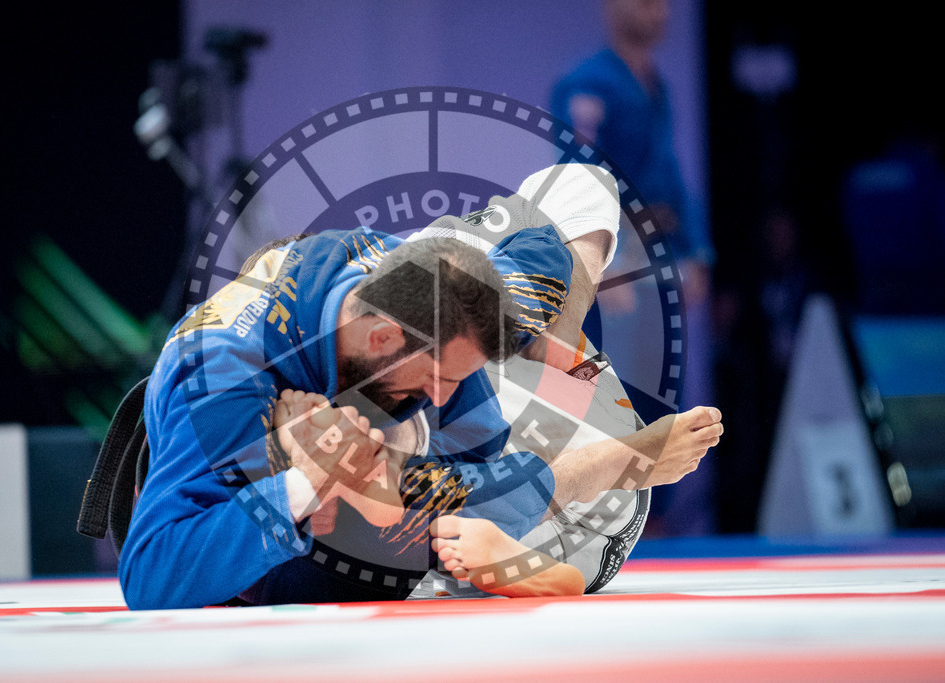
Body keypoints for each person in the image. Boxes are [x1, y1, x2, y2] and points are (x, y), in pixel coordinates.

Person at [119, 163, 629, 609]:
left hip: (549, 421)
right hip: (582, 512)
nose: (444, 395)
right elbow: (149, 577)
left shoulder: (439, 278)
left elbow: (583, 185)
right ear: (384, 338)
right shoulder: (226, 382)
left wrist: (549, 344)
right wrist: (309, 481)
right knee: (415, 544)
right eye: (438, 379)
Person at [551, 0, 717, 536]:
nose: (659, 11)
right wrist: (606, 261)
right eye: (645, 0)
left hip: (660, 252)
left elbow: (670, 173)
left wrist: (695, 252)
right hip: (618, 258)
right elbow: (579, 175)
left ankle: (656, 513)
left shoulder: (654, 84)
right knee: (610, 385)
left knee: (658, 381)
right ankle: (613, 517)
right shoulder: (586, 84)